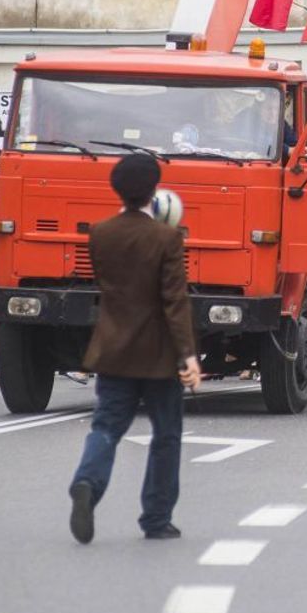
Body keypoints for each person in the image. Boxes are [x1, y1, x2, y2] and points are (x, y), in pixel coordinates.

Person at [68, 154, 200, 543]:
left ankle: (87, 481)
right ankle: (156, 518)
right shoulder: (166, 238)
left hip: (113, 348)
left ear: (117, 190)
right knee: (166, 435)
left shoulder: (100, 233)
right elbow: (174, 301)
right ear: (154, 190)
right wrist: (188, 355)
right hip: (159, 355)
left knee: (106, 426)